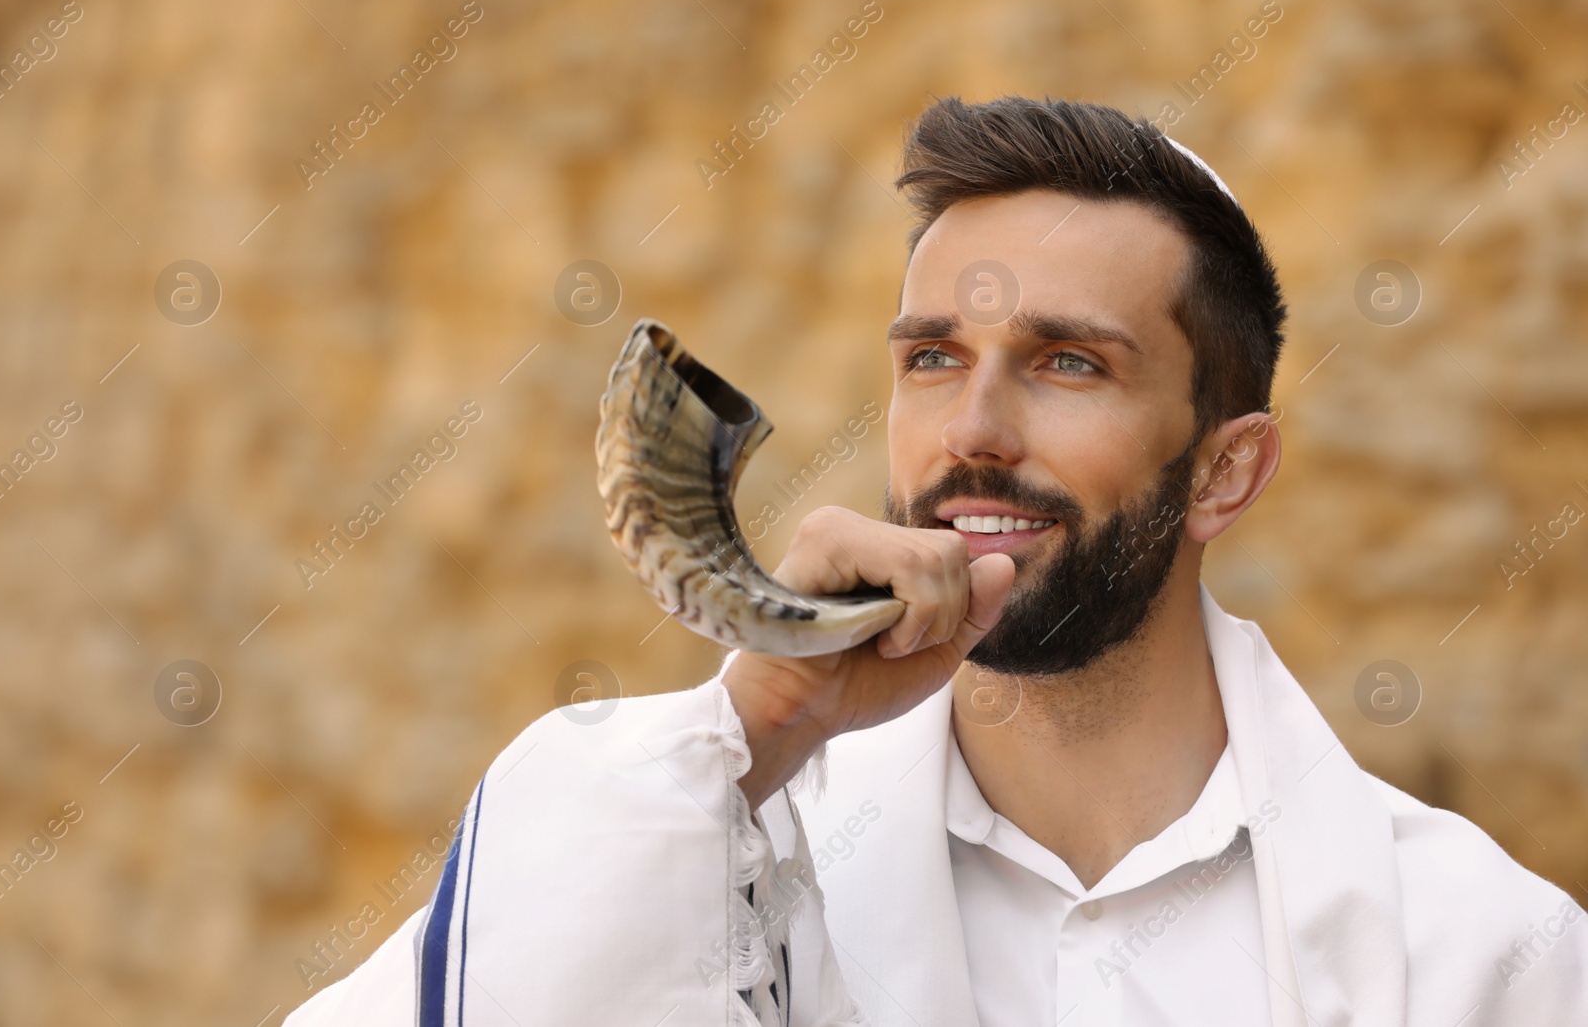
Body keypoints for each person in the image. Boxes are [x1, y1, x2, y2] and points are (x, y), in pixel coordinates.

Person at [285, 97, 1587, 1027]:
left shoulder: (1482, 956)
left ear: (1224, 469)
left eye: (1069, 363)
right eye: (933, 361)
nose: (973, 431)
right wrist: (756, 726)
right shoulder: (702, 853)